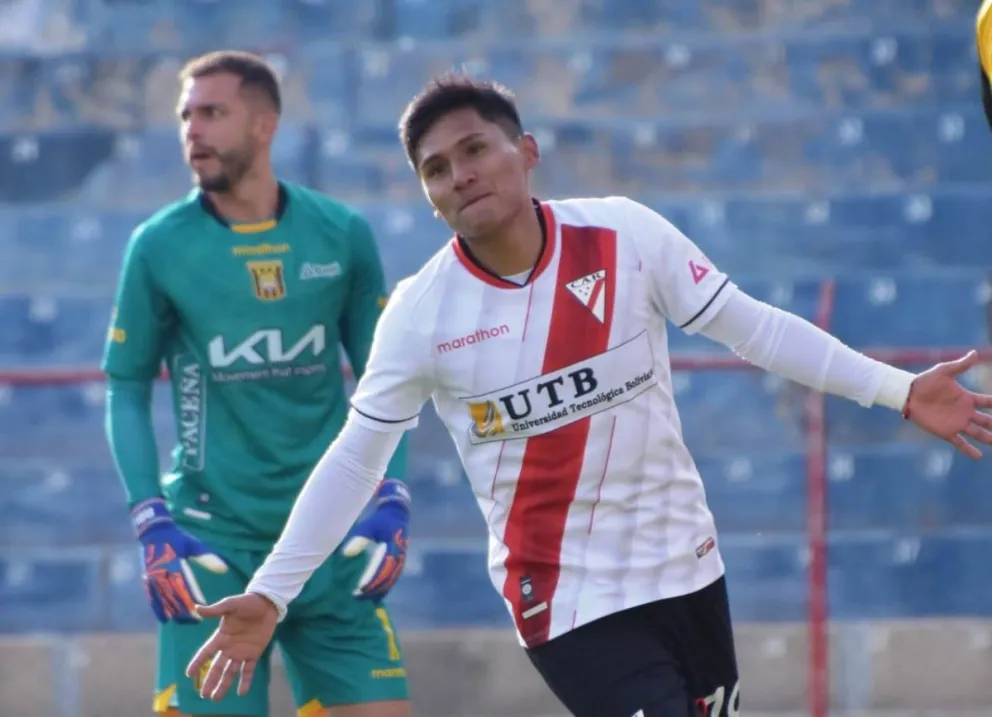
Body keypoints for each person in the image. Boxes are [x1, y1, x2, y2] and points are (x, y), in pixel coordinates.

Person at [184, 74, 992, 717]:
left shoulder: (624, 235)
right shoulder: (421, 314)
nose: (460, 174)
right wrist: (273, 589)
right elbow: (357, 458)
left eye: (474, 149)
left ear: (526, 150)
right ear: (427, 195)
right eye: (437, 168)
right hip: (567, 600)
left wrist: (898, 391)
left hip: (688, 567)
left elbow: (756, 329)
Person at [102, 50, 413, 717]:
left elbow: (389, 382)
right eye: (186, 116)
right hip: (212, 546)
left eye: (213, 112)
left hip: (329, 540)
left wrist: (393, 493)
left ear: (265, 124)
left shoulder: (341, 234)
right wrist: (150, 516)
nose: (193, 130)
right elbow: (125, 386)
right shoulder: (158, 245)